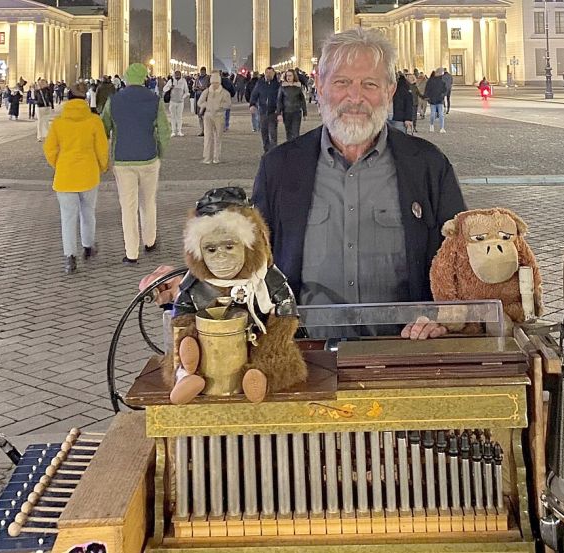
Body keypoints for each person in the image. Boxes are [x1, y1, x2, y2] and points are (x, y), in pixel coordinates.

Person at [142, 28, 466, 340]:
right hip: (305, 356)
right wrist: (197, 283)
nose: (355, 97)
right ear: (320, 87)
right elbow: (254, 259)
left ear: (390, 90)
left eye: (370, 83)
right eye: (342, 82)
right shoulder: (280, 168)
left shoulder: (428, 166)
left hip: (403, 354)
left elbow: (464, 263)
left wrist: (448, 321)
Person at [102, 63, 171, 265]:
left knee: (128, 207)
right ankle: (150, 241)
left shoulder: (113, 101)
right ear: (144, 78)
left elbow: (104, 127)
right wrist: (159, 152)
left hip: (123, 160)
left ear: (125, 77)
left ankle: (131, 253)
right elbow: (165, 132)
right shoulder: (154, 100)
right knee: (148, 202)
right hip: (149, 158)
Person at [43, 82, 109, 274]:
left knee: (68, 217)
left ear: (68, 99)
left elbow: (49, 150)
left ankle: (69, 257)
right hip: (88, 174)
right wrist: (102, 166)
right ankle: (88, 247)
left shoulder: (58, 122)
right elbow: (102, 149)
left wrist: (60, 164)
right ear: (85, 99)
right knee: (88, 213)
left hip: (65, 176)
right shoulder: (94, 121)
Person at [197, 72, 232, 164]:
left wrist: (219, 106)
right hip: (208, 115)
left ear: (219, 83)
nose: (214, 85)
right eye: (213, 83)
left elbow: (228, 104)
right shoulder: (207, 92)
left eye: (216, 83)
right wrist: (206, 105)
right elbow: (199, 102)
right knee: (208, 137)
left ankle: (216, 157)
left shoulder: (225, 93)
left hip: (219, 115)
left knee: (218, 137)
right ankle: (207, 157)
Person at [249, 66, 281, 152]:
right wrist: (252, 104)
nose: (269, 75)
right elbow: (254, 94)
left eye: (271, 73)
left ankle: (273, 151)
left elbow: (281, 98)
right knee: (264, 133)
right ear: (265, 73)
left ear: (274, 74)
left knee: (273, 133)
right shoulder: (260, 84)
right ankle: (266, 150)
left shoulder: (278, 85)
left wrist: (280, 111)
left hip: (273, 112)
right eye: (267, 73)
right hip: (263, 112)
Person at [276, 69, 309, 142]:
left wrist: (305, 113)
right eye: (287, 76)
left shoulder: (298, 87)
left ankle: (295, 150)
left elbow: (302, 100)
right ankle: (290, 149)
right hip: (286, 112)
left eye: (290, 75)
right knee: (288, 133)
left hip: (296, 112)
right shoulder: (282, 87)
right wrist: (279, 113)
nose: (288, 77)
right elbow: (279, 100)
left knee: (296, 133)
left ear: (294, 76)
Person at [163, 70, 190, 136]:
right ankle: (173, 131)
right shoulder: (171, 81)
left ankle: (179, 131)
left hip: (180, 102)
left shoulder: (183, 81)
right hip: (172, 101)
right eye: (176, 75)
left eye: (179, 75)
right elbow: (164, 89)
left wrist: (183, 97)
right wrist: (170, 87)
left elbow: (186, 91)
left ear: (181, 75)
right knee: (173, 116)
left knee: (179, 116)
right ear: (174, 75)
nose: (177, 76)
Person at [424, 68, 447, 133]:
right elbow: (427, 89)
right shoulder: (431, 80)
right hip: (433, 100)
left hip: (439, 100)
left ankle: (442, 127)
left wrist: (443, 94)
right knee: (433, 114)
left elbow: (445, 89)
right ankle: (431, 125)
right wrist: (427, 96)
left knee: (441, 114)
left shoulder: (442, 80)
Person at [193, 67, 210, 136]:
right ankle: (202, 130)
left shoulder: (208, 78)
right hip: (198, 98)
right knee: (200, 115)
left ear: (205, 71)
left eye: (203, 71)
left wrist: (204, 88)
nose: (202, 72)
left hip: (205, 99)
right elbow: (194, 87)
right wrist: (195, 88)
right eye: (201, 71)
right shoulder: (197, 79)